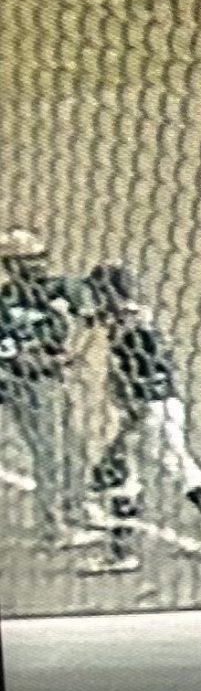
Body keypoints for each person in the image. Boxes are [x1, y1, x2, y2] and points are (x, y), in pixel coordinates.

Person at [79, 264, 201, 575]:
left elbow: (143, 374)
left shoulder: (133, 327)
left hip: (150, 409)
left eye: (99, 292)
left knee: (137, 474)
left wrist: (133, 414)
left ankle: (122, 552)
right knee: (155, 470)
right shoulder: (129, 318)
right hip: (155, 407)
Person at [1, 229, 104, 548]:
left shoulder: (60, 288)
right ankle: (54, 527)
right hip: (21, 384)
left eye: (40, 256)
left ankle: (76, 507)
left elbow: (90, 319)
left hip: (52, 380)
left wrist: (74, 352)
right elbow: (10, 355)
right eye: (28, 259)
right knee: (48, 453)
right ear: (10, 265)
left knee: (74, 446)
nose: (39, 264)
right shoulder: (3, 303)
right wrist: (41, 360)